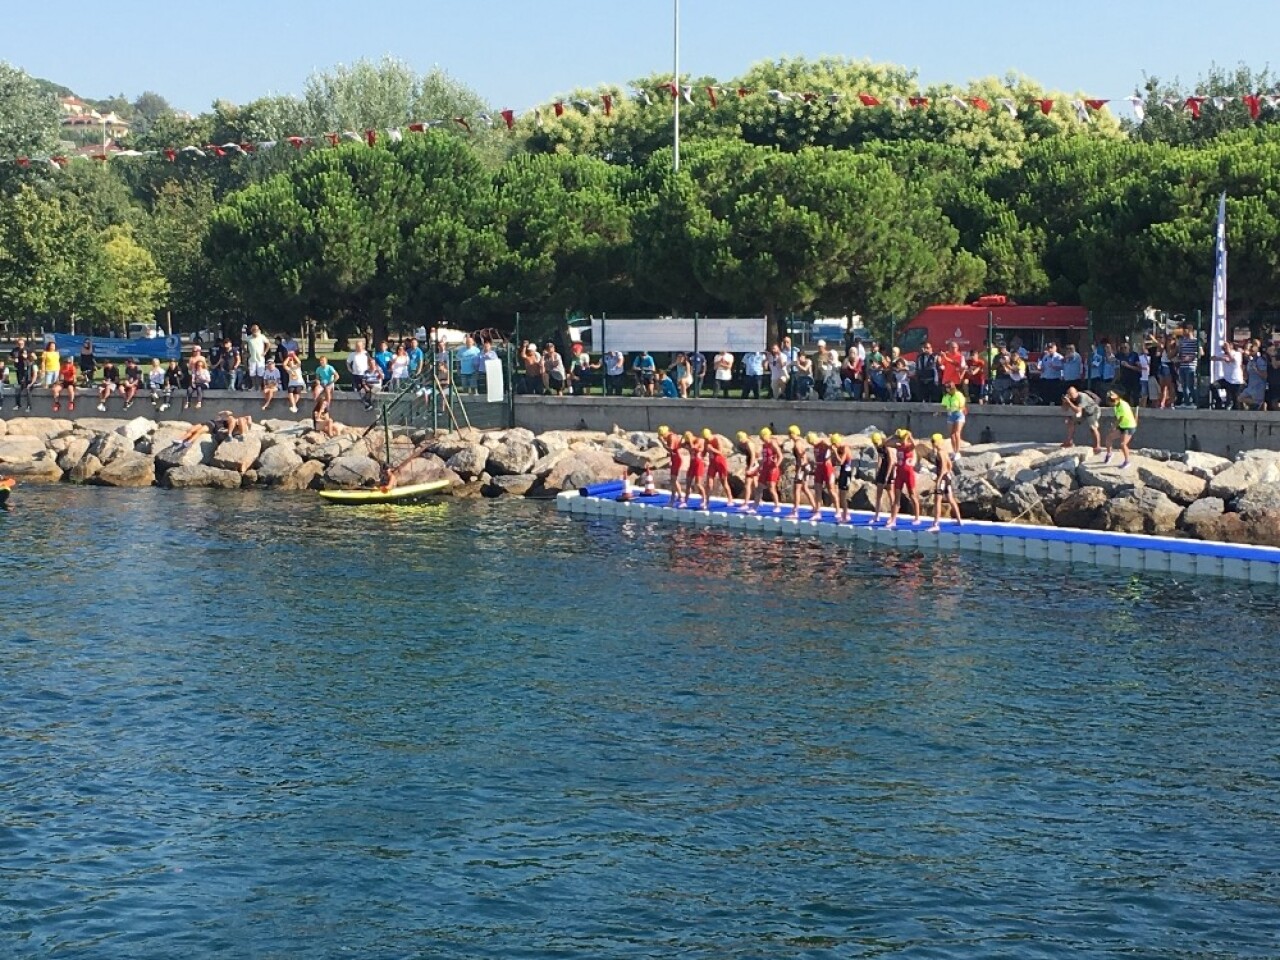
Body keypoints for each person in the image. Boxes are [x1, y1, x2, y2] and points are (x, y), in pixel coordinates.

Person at [885, 429, 922, 529]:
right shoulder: (898, 446)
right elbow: (886, 443)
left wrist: (909, 436)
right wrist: (894, 436)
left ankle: (917, 517)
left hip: (908, 473)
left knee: (912, 495)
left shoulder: (909, 447)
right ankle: (893, 519)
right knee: (897, 498)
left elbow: (914, 444)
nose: (901, 440)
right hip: (900, 474)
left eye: (902, 438)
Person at [928, 433, 962, 533]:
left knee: (937, 501)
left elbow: (943, 467)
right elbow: (950, 465)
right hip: (947, 478)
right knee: (951, 499)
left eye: (933, 441)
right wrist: (947, 474)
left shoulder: (940, 453)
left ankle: (936, 524)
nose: (932, 443)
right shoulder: (944, 451)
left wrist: (939, 480)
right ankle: (959, 520)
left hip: (942, 478)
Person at [174, 409, 253, 448]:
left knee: (199, 431)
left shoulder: (232, 422)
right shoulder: (228, 420)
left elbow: (246, 418)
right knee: (191, 430)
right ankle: (181, 439)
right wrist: (224, 412)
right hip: (209, 422)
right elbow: (222, 414)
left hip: (212, 425)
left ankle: (189, 442)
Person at [787, 425, 818, 520]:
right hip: (806, 466)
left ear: (792, 434)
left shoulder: (797, 444)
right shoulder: (800, 442)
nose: (788, 435)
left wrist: (799, 470)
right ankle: (814, 507)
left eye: (789, 433)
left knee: (796, 489)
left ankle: (795, 511)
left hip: (802, 467)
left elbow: (801, 458)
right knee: (804, 488)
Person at [1061, 385, 1102, 452]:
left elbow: (1078, 410)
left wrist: (1069, 402)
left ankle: (1097, 446)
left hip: (1092, 412)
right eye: (1069, 394)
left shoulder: (1082, 397)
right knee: (1070, 421)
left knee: (1093, 428)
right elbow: (1064, 409)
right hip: (1083, 412)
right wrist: (1064, 402)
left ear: (1076, 392)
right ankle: (1069, 442)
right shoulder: (1070, 398)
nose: (1071, 396)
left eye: (1072, 394)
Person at [1103, 389, 1137, 468]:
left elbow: (1120, 418)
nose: (1110, 404)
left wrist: (1113, 426)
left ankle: (1127, 461)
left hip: (1129, 426)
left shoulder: (1123, 405)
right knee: (1109, 437)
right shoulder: (1116, 405)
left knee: (1123, 444)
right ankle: (1109, 454)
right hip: (1122, 426)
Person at [752, 427, 783, 513]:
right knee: (759, 488)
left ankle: (777, 506)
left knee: (771, 488)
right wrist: (758, 468)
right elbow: (764, 459)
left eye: (762, 437)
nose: (761, 439)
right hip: (765, 468)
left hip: (772, 469)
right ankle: (755, 507)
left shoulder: (773, 443)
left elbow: (780, 456)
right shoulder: (764, 445)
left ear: (766, 436)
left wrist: (776, 466)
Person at [1211, 339, 1245, 408]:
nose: (1224, 348)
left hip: (1236, 381)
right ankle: (1218, 402)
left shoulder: (1237, 354)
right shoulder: (1223, 354)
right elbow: (1212, 358)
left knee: (1235, 401)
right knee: (1213, 386)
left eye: (1226, 347)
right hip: (1227, 380)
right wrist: (1221, 358)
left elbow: (1232, 359)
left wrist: (1228, 352)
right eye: (1224, 347)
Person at [810, 431, 836, 520]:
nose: (812, 444)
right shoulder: (814, 446)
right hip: (819, 468)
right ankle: (817, 512)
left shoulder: (823, 443)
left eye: (812, 442)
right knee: (817, 490)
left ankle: (838, 510)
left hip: (827, 468)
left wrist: (831, 440)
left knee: (831, 490)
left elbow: (832, 447)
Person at [703, 429, 733, 505]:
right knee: (709, 483)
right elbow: (703, 452)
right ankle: (707, 501)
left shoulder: (717, 439)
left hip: (720, 462)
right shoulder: (706, 441)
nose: (707, 439)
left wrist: (712, 449)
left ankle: (730, 499)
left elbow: (720, 452)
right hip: (712, 463)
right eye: (705, 438)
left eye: (708, 438)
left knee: (724, 482)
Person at [870, 432, 894, 524]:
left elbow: (891, 461)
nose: (875, 445)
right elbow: (880, 457)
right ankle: (876, 515)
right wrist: (878, 468)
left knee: (890, 493)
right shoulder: (878, 447)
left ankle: (892, 516)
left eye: (876, 443)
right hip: (883, 470)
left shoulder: (887, 446)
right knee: (878, 493)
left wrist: (887, 476)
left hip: (889, 470)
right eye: (874, 443)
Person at [658, 426, 685, 506]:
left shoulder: (671, 437)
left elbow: (671, 449)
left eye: (663, 436)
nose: (663, 437)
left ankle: (673, 499)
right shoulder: (673, 435)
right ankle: (680, 496)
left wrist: (662, 442)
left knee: (673, 480)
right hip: (675, 458)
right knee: (674, 480)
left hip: (676, 459)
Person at [1175, 326, 1202, 408]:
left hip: (1191, 366)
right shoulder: (1182, 341)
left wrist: (1191, 357)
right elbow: (1179, 352)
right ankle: (1186, 402)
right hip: (1182, 365)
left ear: (1190, 331)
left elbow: (1200, 353)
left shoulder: (1195, 341)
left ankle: (1194, 402)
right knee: (1183, 385)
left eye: (1184, 330)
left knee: (1190, 385)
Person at [939, 381, 966, 457]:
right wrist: (939, 412)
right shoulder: (946, 396)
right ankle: (954, 451)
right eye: (947, 388)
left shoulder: (958, 394)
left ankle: (958, 451)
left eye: (949, 387)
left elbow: (962, 404)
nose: (948, 389)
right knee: (951, 434)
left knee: (957, 433)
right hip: (950, 415)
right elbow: (944, 406)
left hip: (958, 414)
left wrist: (959, 409)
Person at [832, 434, 855, 523]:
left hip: (847, 472)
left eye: (834, 444)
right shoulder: (839, 448)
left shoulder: (845, 448)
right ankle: (846, 514)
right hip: (843, 471)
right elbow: (835, 461)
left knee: (843, 495)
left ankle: (845, 516)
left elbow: (841, 462)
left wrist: (835, 452)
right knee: (841, 495)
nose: (834, 446)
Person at [683, 431, 708, 509]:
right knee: (688, 483)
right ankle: (685, 502)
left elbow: (694, 447)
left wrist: (690, 441)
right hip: (692, 464)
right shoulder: (687, 442)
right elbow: (678, 446)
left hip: (699, 464)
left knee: (698, 484)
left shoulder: (699, 440)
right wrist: (682, 439)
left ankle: (704, 500)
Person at [734, 431, 758, 508]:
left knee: (747, 485)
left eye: (740, 439)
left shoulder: (749, 444)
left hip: (752, 465)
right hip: (754, 465)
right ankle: (759, 500)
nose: (740, 441)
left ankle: (746, 503)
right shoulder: (749, 443)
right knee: (755, 484)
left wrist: (750, 468)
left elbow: (753, 456)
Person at [244, 324, 270, 390]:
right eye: (253, 330)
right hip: (252, 358)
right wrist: (246, 351)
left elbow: (268, 344)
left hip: (260, 358)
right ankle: (253, 386)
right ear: (251, 330)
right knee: (252, 373)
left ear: (259, 330)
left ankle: (258, 386)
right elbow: (243, 344)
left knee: (260, 373)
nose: (255, 331)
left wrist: (265, 352)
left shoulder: (262, 337)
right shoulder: (248, 338)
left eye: (256, 329)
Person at [11, 339, 34, 411]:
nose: (20, 344)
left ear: (24, 343)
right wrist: (13, 360)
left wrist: (27, 357)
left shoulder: (28, 349)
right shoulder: (15, 350)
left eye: (22, 343)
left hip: (27, 370)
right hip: (18, 370)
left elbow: (33, 358)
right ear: (17, 344)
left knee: (28, 389)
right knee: (17, 389)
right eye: (19, 343)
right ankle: (18, 405)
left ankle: (29, 407)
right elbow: (9, 357)